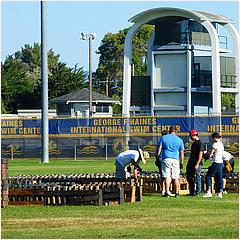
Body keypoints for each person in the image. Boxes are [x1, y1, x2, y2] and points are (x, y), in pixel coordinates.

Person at [156, 126, 185, 197]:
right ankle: (177, 193)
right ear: (176, 131)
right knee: (176, 177)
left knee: (167, 176)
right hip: (175, 159)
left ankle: (166, 192)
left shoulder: (164, 138)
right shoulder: (179, 140)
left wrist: (157, 157)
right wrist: (181, 162)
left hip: (166, 158)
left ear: (169, 130)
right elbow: (182, 153)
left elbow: (159, 149)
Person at [203, 132, 224, 198]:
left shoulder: (215, 144)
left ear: (214, 137)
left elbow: (211, 154)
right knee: (219, 178)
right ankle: (219, 193)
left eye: (212, 138)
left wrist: (206, 155)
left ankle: (209, 192)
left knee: (208, 176)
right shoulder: (221, 144)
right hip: (221, 163)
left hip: (216, 163)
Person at [186, 130, 204, 196]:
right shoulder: (194, 143)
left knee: (197, 177)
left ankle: (198, 192)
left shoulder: (200, 143)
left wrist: (197, 164)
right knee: (189, 177)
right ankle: (192, 192)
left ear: (194, 135)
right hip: (191, 162)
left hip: (197, 163)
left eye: (190, 136)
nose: (190, 137)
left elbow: (200, 154)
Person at [155, 130, 169, 195]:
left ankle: (164, 190)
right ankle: (164, 190)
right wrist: (158, 158)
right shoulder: (163, 140)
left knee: (164, 176)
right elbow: (158, 150)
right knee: (164, 176)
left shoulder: (162, 140)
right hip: (162, 159)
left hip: (162, 159)